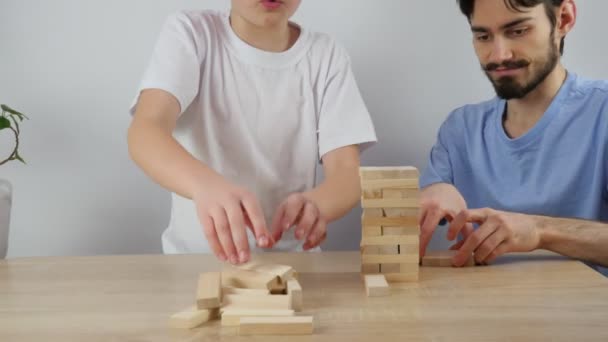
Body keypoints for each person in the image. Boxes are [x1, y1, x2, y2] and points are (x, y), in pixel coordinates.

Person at [127, 0, 376, 265]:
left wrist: (319, 204)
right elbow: (146, 131)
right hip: (194, 264)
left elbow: (347, 172)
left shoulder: (326, 54)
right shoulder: (192, 33)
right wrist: (203, 185)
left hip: (295, 268)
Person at [419, 0, 608, 272]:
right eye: (483, 36)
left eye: (518, 31)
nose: (499, 55)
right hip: (479, 310)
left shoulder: (601, 113)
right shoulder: (460, 129)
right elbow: (428, 197)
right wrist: (432, 192)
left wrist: (540, 230)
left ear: (564, 19)